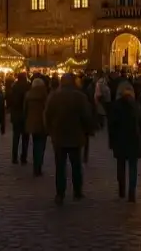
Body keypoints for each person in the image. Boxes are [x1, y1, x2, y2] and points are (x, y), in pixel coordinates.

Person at [44, 73, 94, 205]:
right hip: (75, 135)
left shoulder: (54, 96)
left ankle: (60, 193)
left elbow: (47, 115)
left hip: (59, 135)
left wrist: (50, 130)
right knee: (76, 165)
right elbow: (86, 116)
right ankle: (77, 192)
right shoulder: (80, 97)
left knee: (60, 166)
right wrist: (87, 130)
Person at [108, 82, 141, 202]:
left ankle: (122, 190)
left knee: (121, 166)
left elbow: (112, 125)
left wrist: (112, 141)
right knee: (133, 167)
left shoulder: (116, 105)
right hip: (133, 139)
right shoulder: (136, 105)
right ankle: (132, 192)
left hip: (120, 140)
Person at [23, 77, 48, 177]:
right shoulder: (45, 95)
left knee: (35, 144)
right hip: (42, 123)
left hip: (32, 123)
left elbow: (25, 110)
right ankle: (38, 165)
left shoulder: (28, 94)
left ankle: (35, 166)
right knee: (41, 145)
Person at [7, 72, 31, 165]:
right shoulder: (28, 86)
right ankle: (23, 157)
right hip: (26, 115)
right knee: (25, 138)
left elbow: (10, 99)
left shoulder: (14, 86)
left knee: (16, 137)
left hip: (16, 115)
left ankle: (14, 157)